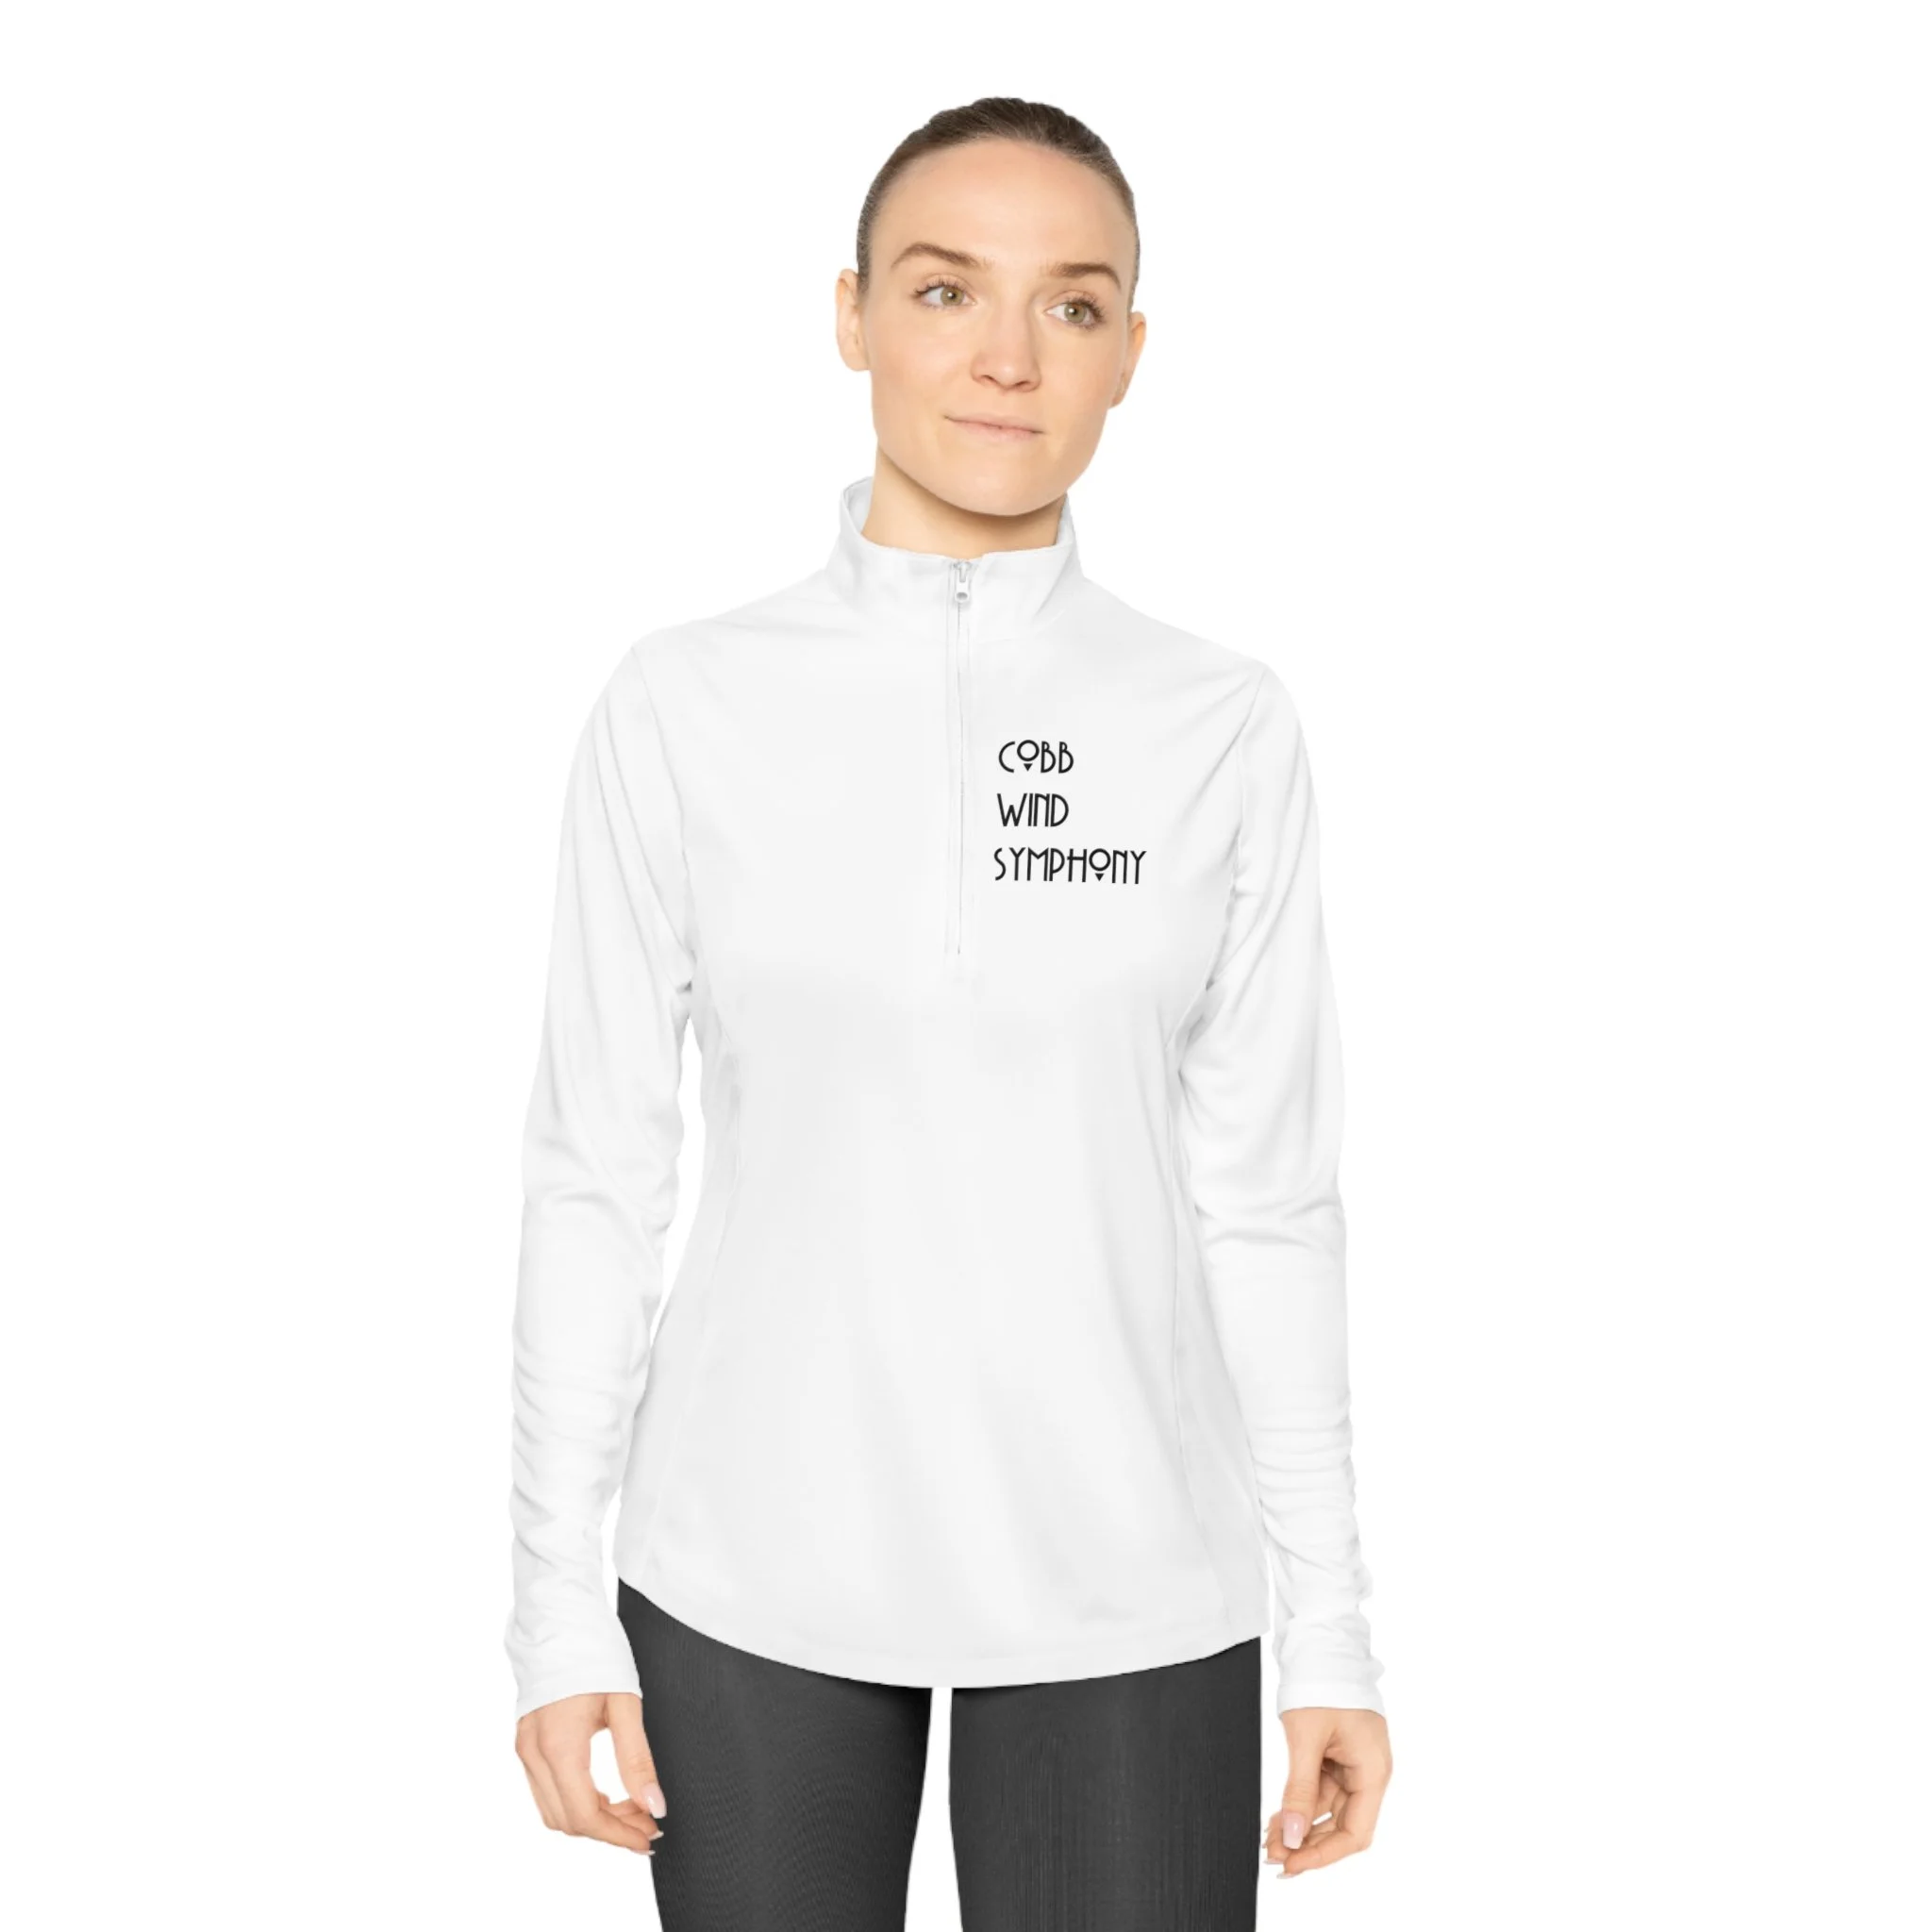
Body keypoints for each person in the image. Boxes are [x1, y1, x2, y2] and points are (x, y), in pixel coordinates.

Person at [505, 95, 1394, 1930]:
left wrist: (1332, 1628)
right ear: (850, 317)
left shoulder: (1219, 724)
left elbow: (1270, 1204)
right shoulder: (683, 706)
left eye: (1072, 305)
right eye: (941, 290)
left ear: (1130, 352)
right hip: (745, 1577)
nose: (1007, 357)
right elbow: (597, 1175)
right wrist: (551, 1610)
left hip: (1131, 1588)